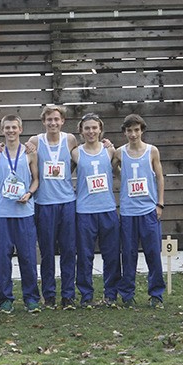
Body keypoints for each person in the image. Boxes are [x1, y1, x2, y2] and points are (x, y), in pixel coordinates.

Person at [112, 113, 166, 309]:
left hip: (148, 211)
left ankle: (156, 294)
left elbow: (160, 178)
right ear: (125, 132)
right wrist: (122, 176)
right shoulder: (119, 153)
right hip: (128, 212)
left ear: (142, 130)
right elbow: (112, 170)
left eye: (136, 130)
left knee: (153, 253)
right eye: (129, 130)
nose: (133, 134)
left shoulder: (152, 151)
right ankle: (127, 293)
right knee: (128, 254)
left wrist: (160, 204)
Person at [27, 106, 78, 310]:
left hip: (66, 202)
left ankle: (68, 295)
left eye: (56, 119)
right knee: (47, 252)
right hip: (44, 203)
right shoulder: (35, 141)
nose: (53, 123)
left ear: (62, 121)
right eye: (49, 119)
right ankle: (48, 295)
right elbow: (24, 159)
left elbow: (76, 161)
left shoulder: (70, 140)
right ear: (44, 121)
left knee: (68, 251)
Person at [0, 114, 41, 314]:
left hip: (24, 211)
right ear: (2, 130)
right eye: (7, 128)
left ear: (21, 129)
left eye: (14, 127)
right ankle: (5, 299)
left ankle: (31, 298)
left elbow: (36, 180)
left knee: (27, 257)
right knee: (3, 258)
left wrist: (29, 193)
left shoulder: (30, 153)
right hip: (2, 212)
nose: (11, 131)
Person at [72, 113, 121, 308]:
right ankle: (86, 295)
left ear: (100, 130)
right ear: (81, 131)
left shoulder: (110, 151)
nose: (91, 131)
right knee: (84, 256)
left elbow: (119, 173)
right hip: (84, 211)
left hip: (107, 209)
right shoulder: (75, 153)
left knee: (111, 255)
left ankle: (111, 294)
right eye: (87, 128)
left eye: (94, 128)